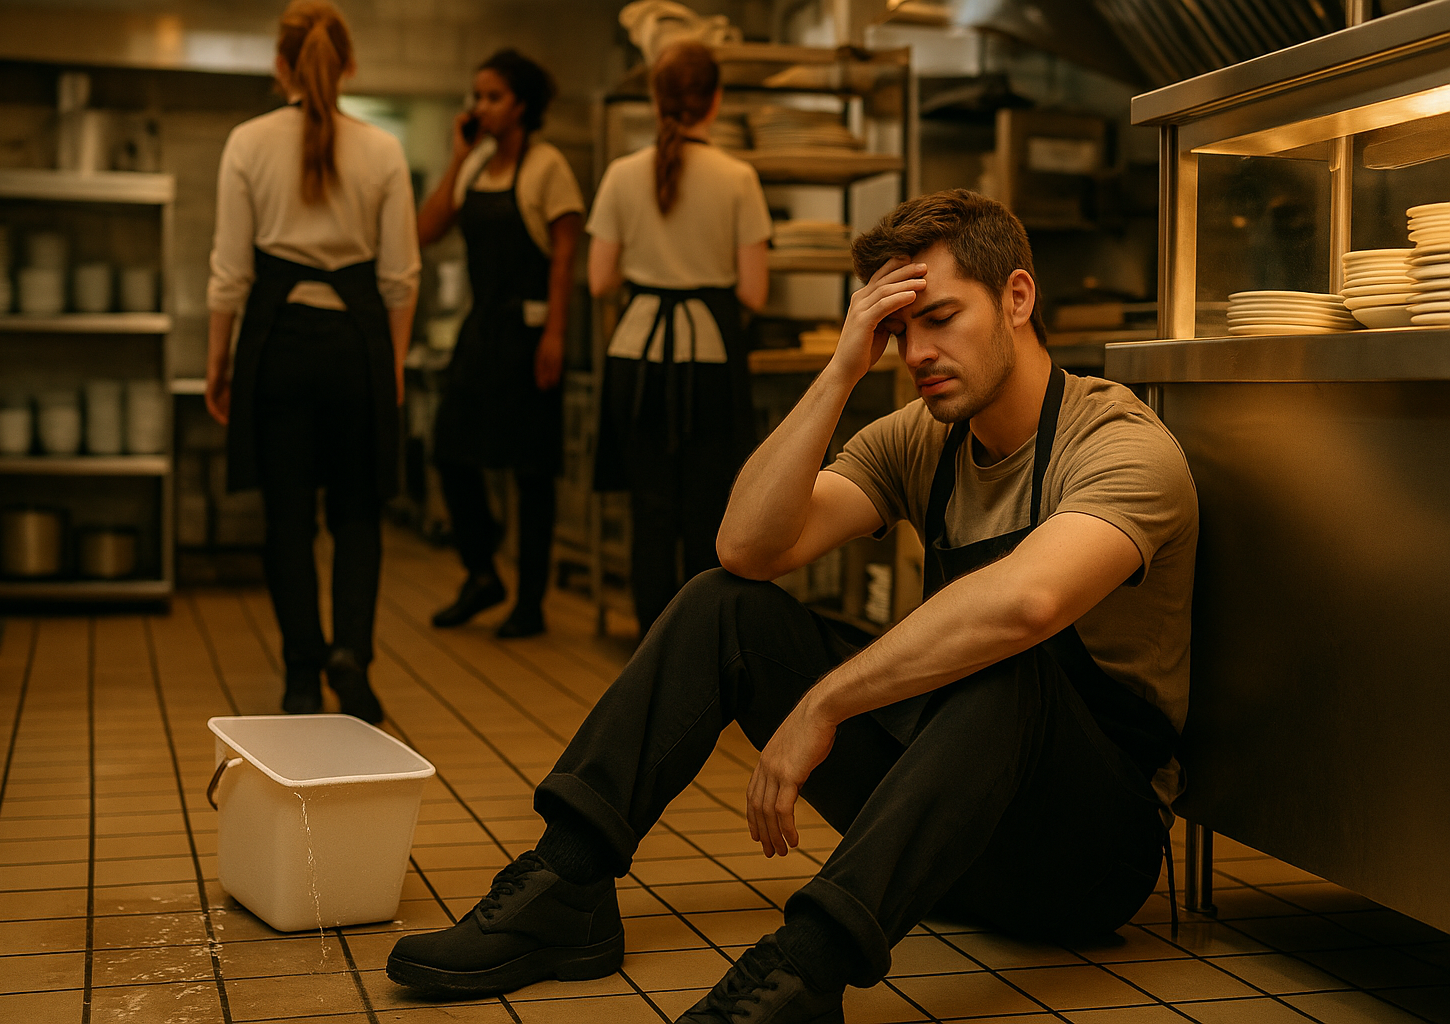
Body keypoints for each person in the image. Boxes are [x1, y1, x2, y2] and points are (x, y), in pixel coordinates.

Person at [385, 189, 1198, 1024]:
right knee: (721, 607)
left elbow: (1027, 602)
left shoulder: (1119, 445)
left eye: (942, 318)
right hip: (950, 830)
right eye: (896, 331)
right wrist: (843, 366)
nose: (917, 352)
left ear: (1017, 298)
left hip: (1084, 851)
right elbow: (746, 547)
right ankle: (566, 884)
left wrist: (826, 700)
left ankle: (806, 969)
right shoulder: (923, 436)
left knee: (1008, 663)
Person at [205, 0, 418, 723]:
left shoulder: (247, 143)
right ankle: (350, 656)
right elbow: (401, 280)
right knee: (358, 515)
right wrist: (389, 367)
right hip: (356, 348)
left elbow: (230, 271)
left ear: (280, 66)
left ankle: (301, 672)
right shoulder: (384, 150)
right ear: (349, 64)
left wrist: (219, 362)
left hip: (278, 347)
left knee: (287, 521)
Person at [586, 40, 770, 637]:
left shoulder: (620, 175)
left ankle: (649, 645)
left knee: (650, 509)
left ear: (655, 99)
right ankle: (698, 645)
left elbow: (598, 281)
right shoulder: (739, 177)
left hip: (636, 354)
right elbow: (754, 293)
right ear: (715, 101)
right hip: (709, 356)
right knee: (708, 510)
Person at [418, 49, 585, 639]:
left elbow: (565, 258)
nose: (479, 107)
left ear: (521, 105)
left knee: (530, 470)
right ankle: (481, 572)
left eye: (491, 96)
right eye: (476, 97)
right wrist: (459, 155)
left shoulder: (548, 168)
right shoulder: (473, 165)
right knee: (449, 450)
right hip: (481, 327)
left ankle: (530, 603)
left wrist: (556, 335)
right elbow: (425, 229)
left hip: (532, 331)